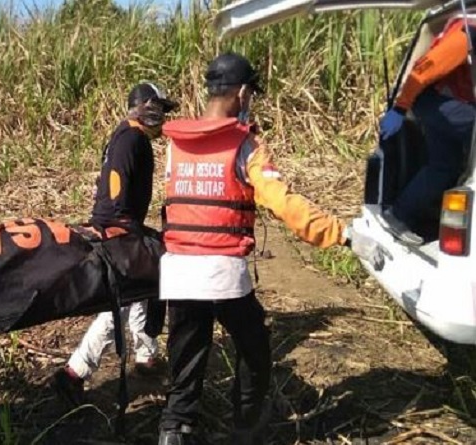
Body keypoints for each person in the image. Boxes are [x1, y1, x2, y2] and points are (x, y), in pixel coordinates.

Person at [156, 52, 365, 445]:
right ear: (240, 92)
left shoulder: (176, 145)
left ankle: (174, 430)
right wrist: (340, 232)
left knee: (186, 356)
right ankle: (247, 423)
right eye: (251, 91)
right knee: (254, 344)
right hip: (221, 272)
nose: (251, 99)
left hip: (179, 268)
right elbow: (283, 202)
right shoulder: (246, 146)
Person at [52, 83, 179, 407]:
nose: (163, 116)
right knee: (118, 304)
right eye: (159, 108)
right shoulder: (130, 138)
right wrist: (122, 233)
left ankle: (146, 354)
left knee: (147, 286)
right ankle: (75, 372)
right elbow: (114, 192)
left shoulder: (130, 137)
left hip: (122, 228)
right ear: (144, 107)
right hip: (117, 231)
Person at [377, 16, 476, 246]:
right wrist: (399, 109)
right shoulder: (468, 32)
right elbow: (422, 70)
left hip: (444, 102)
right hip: (436, 102)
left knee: (443, 167)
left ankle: (399, 215)